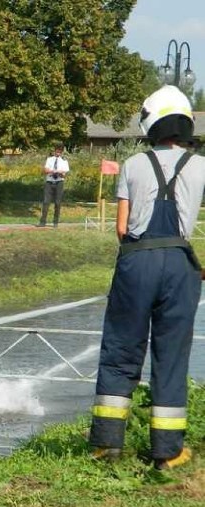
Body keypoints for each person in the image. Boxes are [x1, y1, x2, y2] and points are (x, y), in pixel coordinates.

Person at [88, 85, 205, 471]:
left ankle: (107, 446)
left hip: (136, 262)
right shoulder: (201, 165)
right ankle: (167, 452)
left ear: (152, 124)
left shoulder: (134, 164)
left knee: (121, 349)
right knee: (171, 355)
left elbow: (122, 228)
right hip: (180, 265)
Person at [38, 144, 69, 227]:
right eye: (57, 151)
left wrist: (59, 172)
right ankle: (43, 221)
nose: (58, 153)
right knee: (46, 202)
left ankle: (55, 222)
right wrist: (52, 171)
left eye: (60, 151)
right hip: (49, 181)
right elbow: (46, 170)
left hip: (59, 182)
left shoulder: (64, 161)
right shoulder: (50, 159)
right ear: (55, 151)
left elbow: (64, 174)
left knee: (58, 203)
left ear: (62, 152)